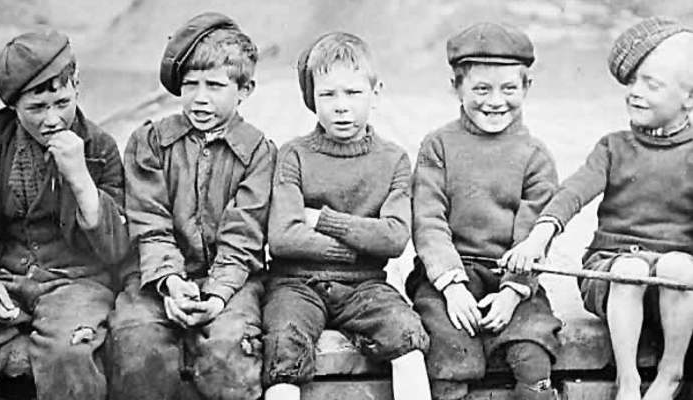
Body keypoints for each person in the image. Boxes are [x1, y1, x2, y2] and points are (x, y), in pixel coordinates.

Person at [503, 16, 693, 400]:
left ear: (689, 98)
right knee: (629, 267)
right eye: (633, 81)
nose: (635, 92)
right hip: (612, 271)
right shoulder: (613, 147)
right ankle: (627, 380)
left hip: (678, 284)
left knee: (677, 265)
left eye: (651, 84)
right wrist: (537, 240)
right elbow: (572, 193)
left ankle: (671, 374)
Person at [108, 12, 277, 400]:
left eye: (215, 85)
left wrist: (216, 294)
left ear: (245, 89)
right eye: (190, 85)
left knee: (232, 349)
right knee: (136, 343)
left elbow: (245, 235)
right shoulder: (150, 142)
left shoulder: (258, 153)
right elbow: (149, 222)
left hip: (233, 283)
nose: (200, 98)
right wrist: (171, 282)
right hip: (155, 279)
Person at [263, 32, 431, 400]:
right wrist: (356, 246)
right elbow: (284, 236)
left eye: (353, 93)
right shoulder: (294, 155)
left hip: (364, 286)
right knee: (283, 348)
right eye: (328, 94)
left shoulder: (393, 160)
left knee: (407, 336)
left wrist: (322, 220)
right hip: (296, 284)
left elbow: (394, 238)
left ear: (376, 92)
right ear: (312, 99)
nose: (341, 106)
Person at [406, 22, 562, 400]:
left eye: (509, 88)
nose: (495, 101)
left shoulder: (535, 156)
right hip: (450, 277)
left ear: (527, 87)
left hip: (512, 277)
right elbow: (428, 220)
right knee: (449, 352)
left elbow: (533, 232)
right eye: (480, 89)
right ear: (456, 87)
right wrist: (453, 285)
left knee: (532, 353)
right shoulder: (438, 146)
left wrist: (513, 292)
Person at [0, 30, 130, 400]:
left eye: (62, 102)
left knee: (68, 352)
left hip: (76, 283)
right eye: (36, 109)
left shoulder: (100, 147)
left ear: (77, 87)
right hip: (7, 277)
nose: (53, 119)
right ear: (13, 108)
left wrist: (81, 178)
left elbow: (117, 248)